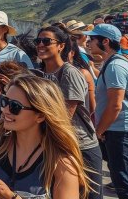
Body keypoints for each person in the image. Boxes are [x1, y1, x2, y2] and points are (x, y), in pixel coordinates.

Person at [0, 75, 90, 199]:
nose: (5, 110)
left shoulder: (61, 163)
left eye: (15, 106)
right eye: (4, 101)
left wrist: (12, 197)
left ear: (40, 116)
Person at [35, 26, 101, 199]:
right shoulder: (41, 75)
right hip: (55, 144)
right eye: (38, 41)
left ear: (61, 46)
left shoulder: (69, 73)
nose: (41, 45)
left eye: (46, 41)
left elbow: (64, 116)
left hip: (80, 146)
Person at [85, 24, 128, 199]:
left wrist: (99, 131)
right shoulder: (114, 62)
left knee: (125, 185)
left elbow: (115, 105)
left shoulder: (115, 67)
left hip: (122, 132)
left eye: (92, 39)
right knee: (124, 181)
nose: (88, 42)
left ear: (105, 41)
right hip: (121, 131)